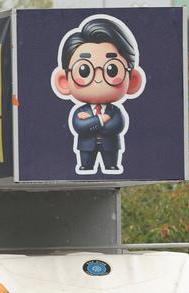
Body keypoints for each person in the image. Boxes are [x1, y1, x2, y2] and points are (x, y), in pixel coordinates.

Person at [50, 15, 146, 175]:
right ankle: (86, 166)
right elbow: (79, 126)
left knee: (111, 162)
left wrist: (91, 123)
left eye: (112, 70)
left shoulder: (114, 111)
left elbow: (116, 126)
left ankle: (112, 166)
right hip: (86, 146)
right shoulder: (80, 112)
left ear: (133, 81)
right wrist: (100, 120)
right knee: (86, 162)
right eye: (85, 70)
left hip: (111, 146)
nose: (99, 78)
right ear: (64, 81)